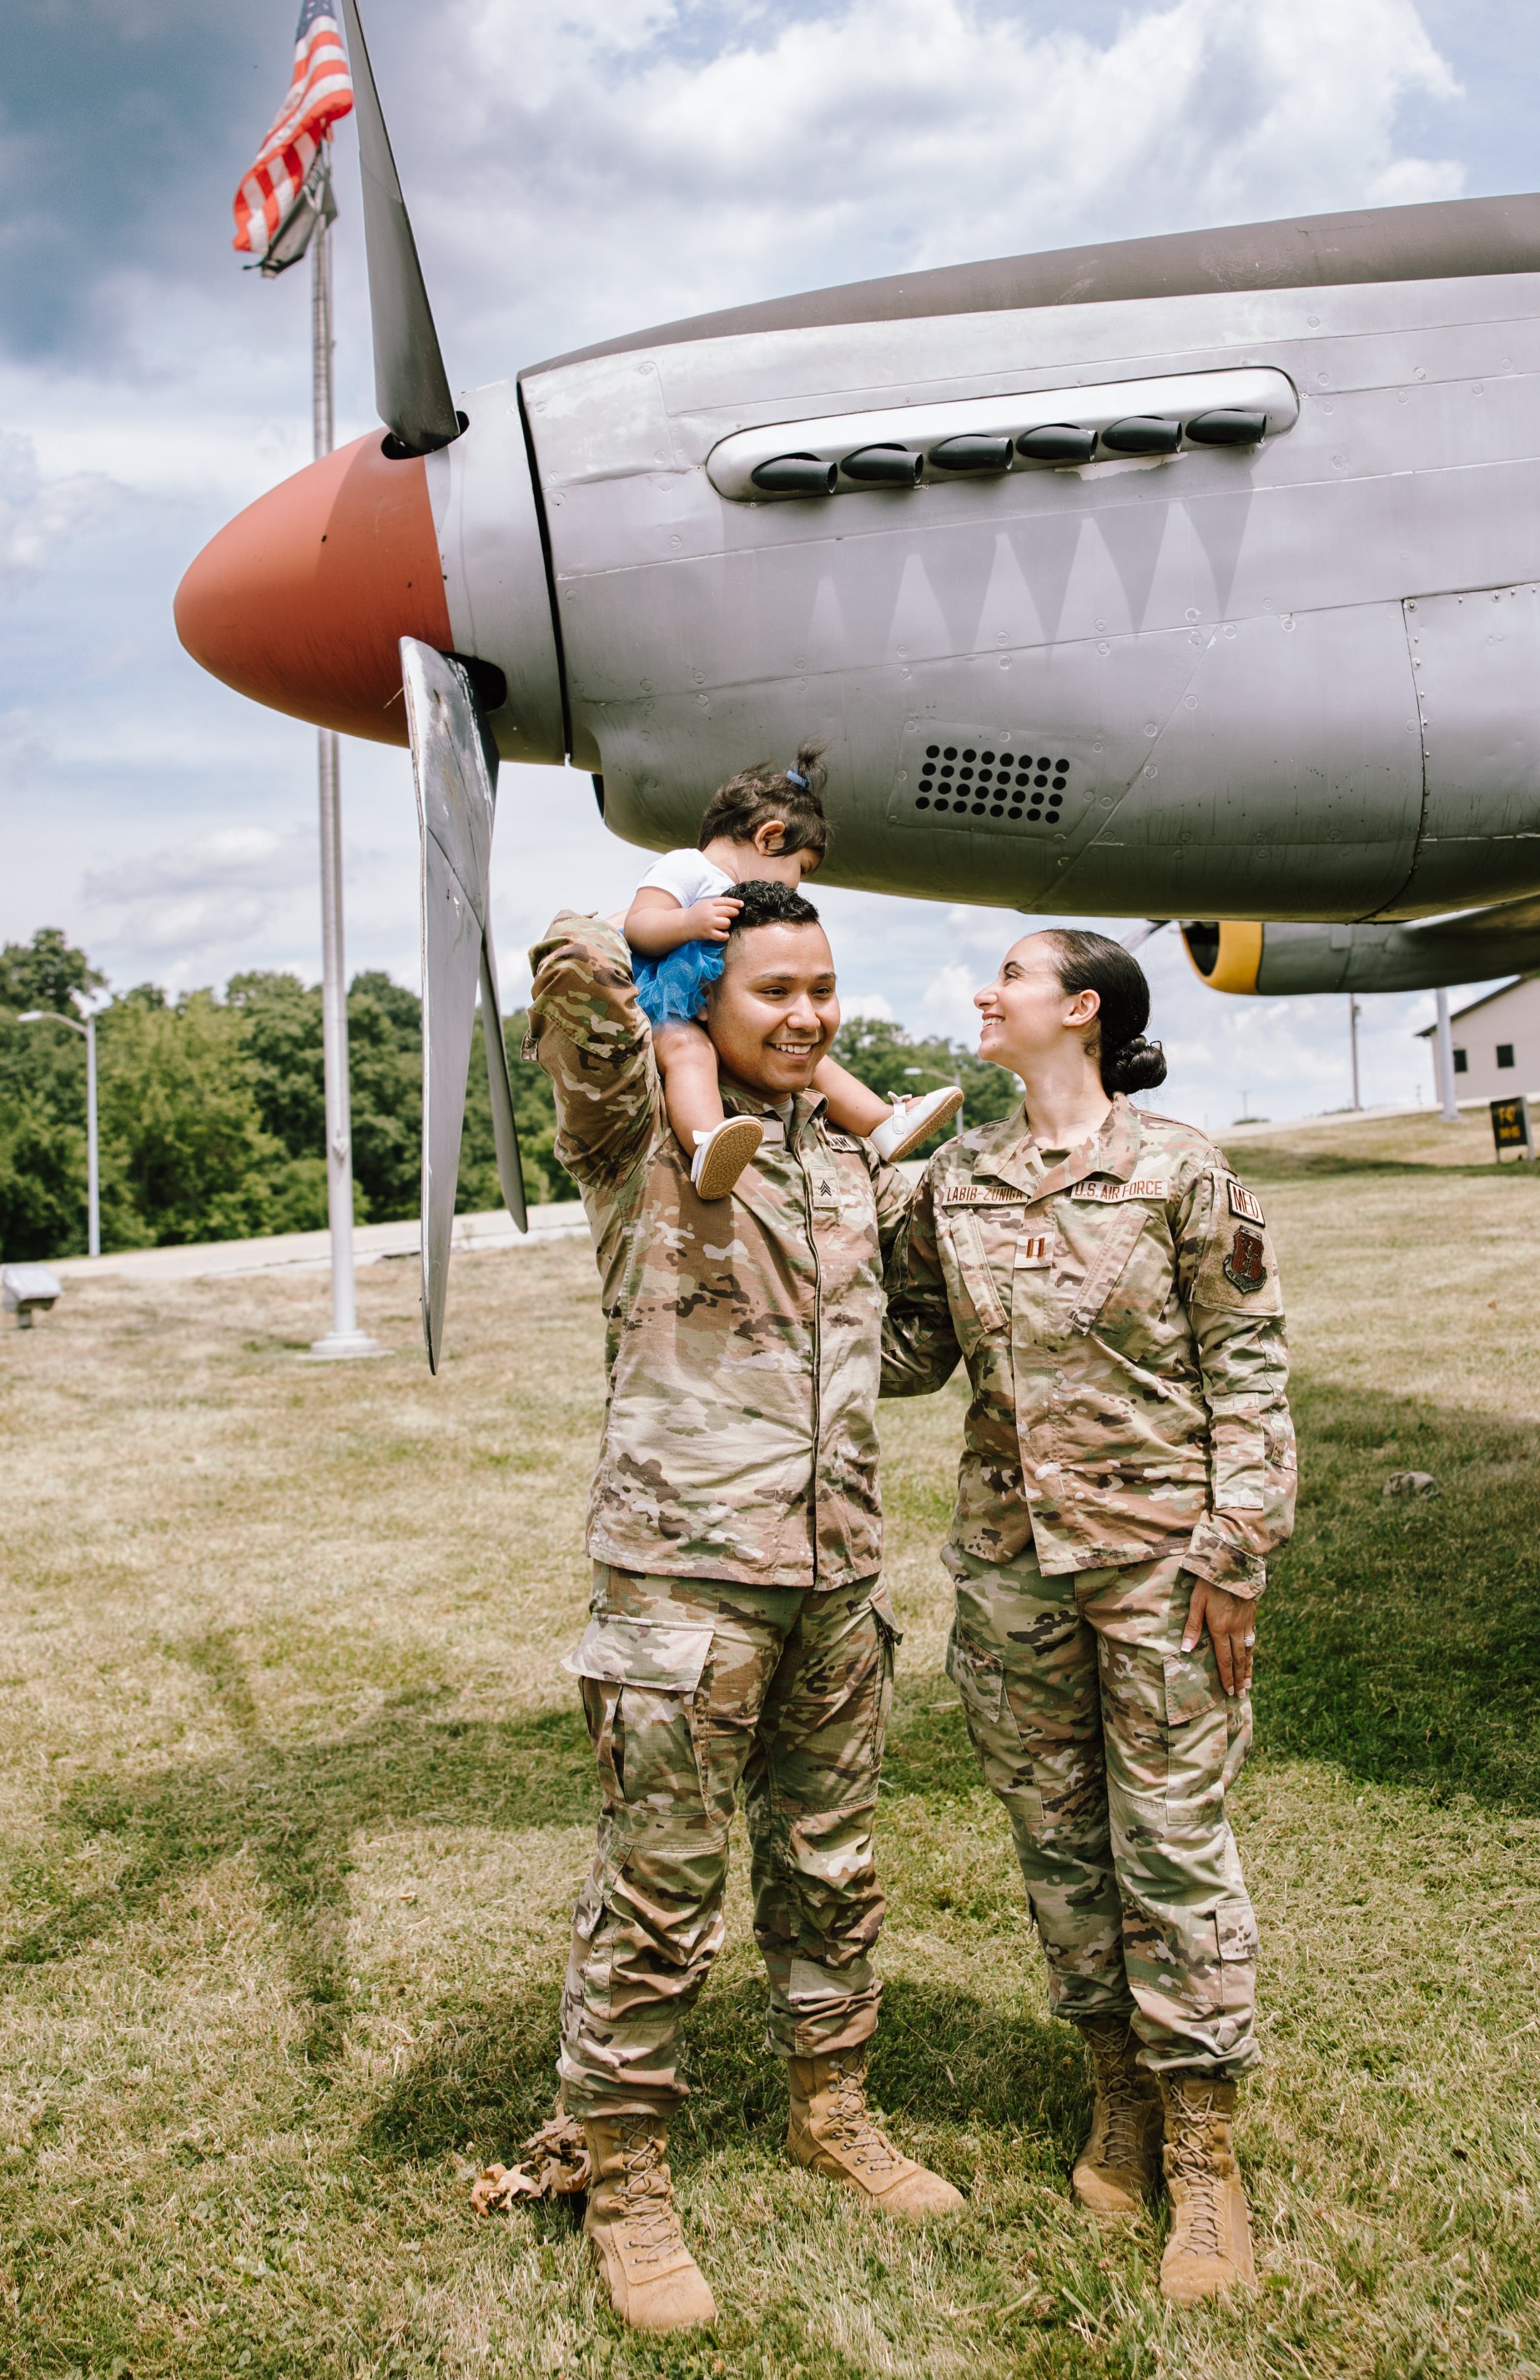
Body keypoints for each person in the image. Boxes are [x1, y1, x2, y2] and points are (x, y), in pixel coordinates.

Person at [516, 881, 963, 2334]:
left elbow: (896, 1354)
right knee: (660, 1888)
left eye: (823, 986)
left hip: (836, 1577)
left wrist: (955, 1266)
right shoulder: (639, 1133)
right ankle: (621, 2173)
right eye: (774, 988)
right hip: (684, 1586)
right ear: (707, 991)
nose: (808, 1013)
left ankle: (832, 2108)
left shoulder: (839, 1155)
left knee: (832, 1867)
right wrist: (651, 928)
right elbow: (568, 973)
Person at [879, 928, 1296, 2306]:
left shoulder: (1180, 1168)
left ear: (1082, 1010)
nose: (983, 994)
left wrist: (1237, 1545)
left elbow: (1248, 1363)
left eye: (1008, 974)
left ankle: (1205, 2147)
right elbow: (910, 1349)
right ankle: (1115, 2089)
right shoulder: (957, 1177)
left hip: (1163, 1566)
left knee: (1171, 1845)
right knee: (1060, 1847)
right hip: (1013, 1571)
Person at [622, 752, 962, 1200]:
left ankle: (881, 1124)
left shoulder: (743, 895)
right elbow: (639, 924)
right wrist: (688, 923)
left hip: (709, 997)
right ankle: (706, 1144)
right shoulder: (687, 867)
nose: (795, 886)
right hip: (670, 1001)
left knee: (814, 1062)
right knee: (690, 1056)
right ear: (770, 837)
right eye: (799, 869)